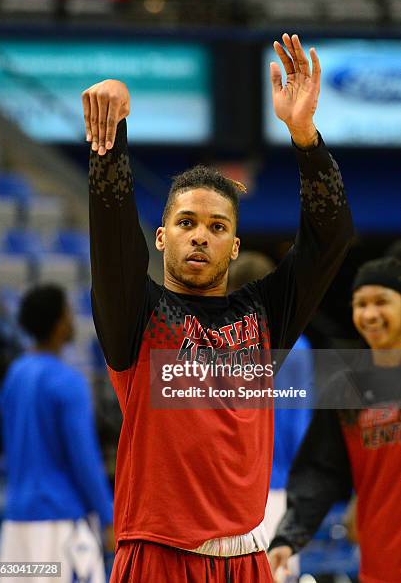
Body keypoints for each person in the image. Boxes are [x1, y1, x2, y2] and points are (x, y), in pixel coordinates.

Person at [82, 33, 353, 582]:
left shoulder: (265, 316)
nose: (200, 236)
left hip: (246, 560)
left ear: (234, 245)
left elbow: (330, 239)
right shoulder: (136, 315)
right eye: (186, 223)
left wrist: (304, 137)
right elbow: (113, 247)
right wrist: (111, 143)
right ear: (161, 238)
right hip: (156, 555)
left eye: (217, 227)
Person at [268, 257, 401, 583]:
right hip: (380, 567)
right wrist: (289, 536)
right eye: (361, 304)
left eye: (381, 302)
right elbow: (320, 471)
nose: (370, 315)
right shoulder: (346, 390)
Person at [0, 284, 113, 583]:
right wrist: (108, 517)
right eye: (68, 313)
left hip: (16, 526)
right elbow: (84, 461)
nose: (72, 319)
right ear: (58, 323)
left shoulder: (14, 376)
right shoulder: (68, 381)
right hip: (61, 525)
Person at [228, 251, 313, 581]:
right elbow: (298, 428)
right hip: (276, 487)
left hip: (228, 493)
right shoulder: (297, 348)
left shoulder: (211, 345)